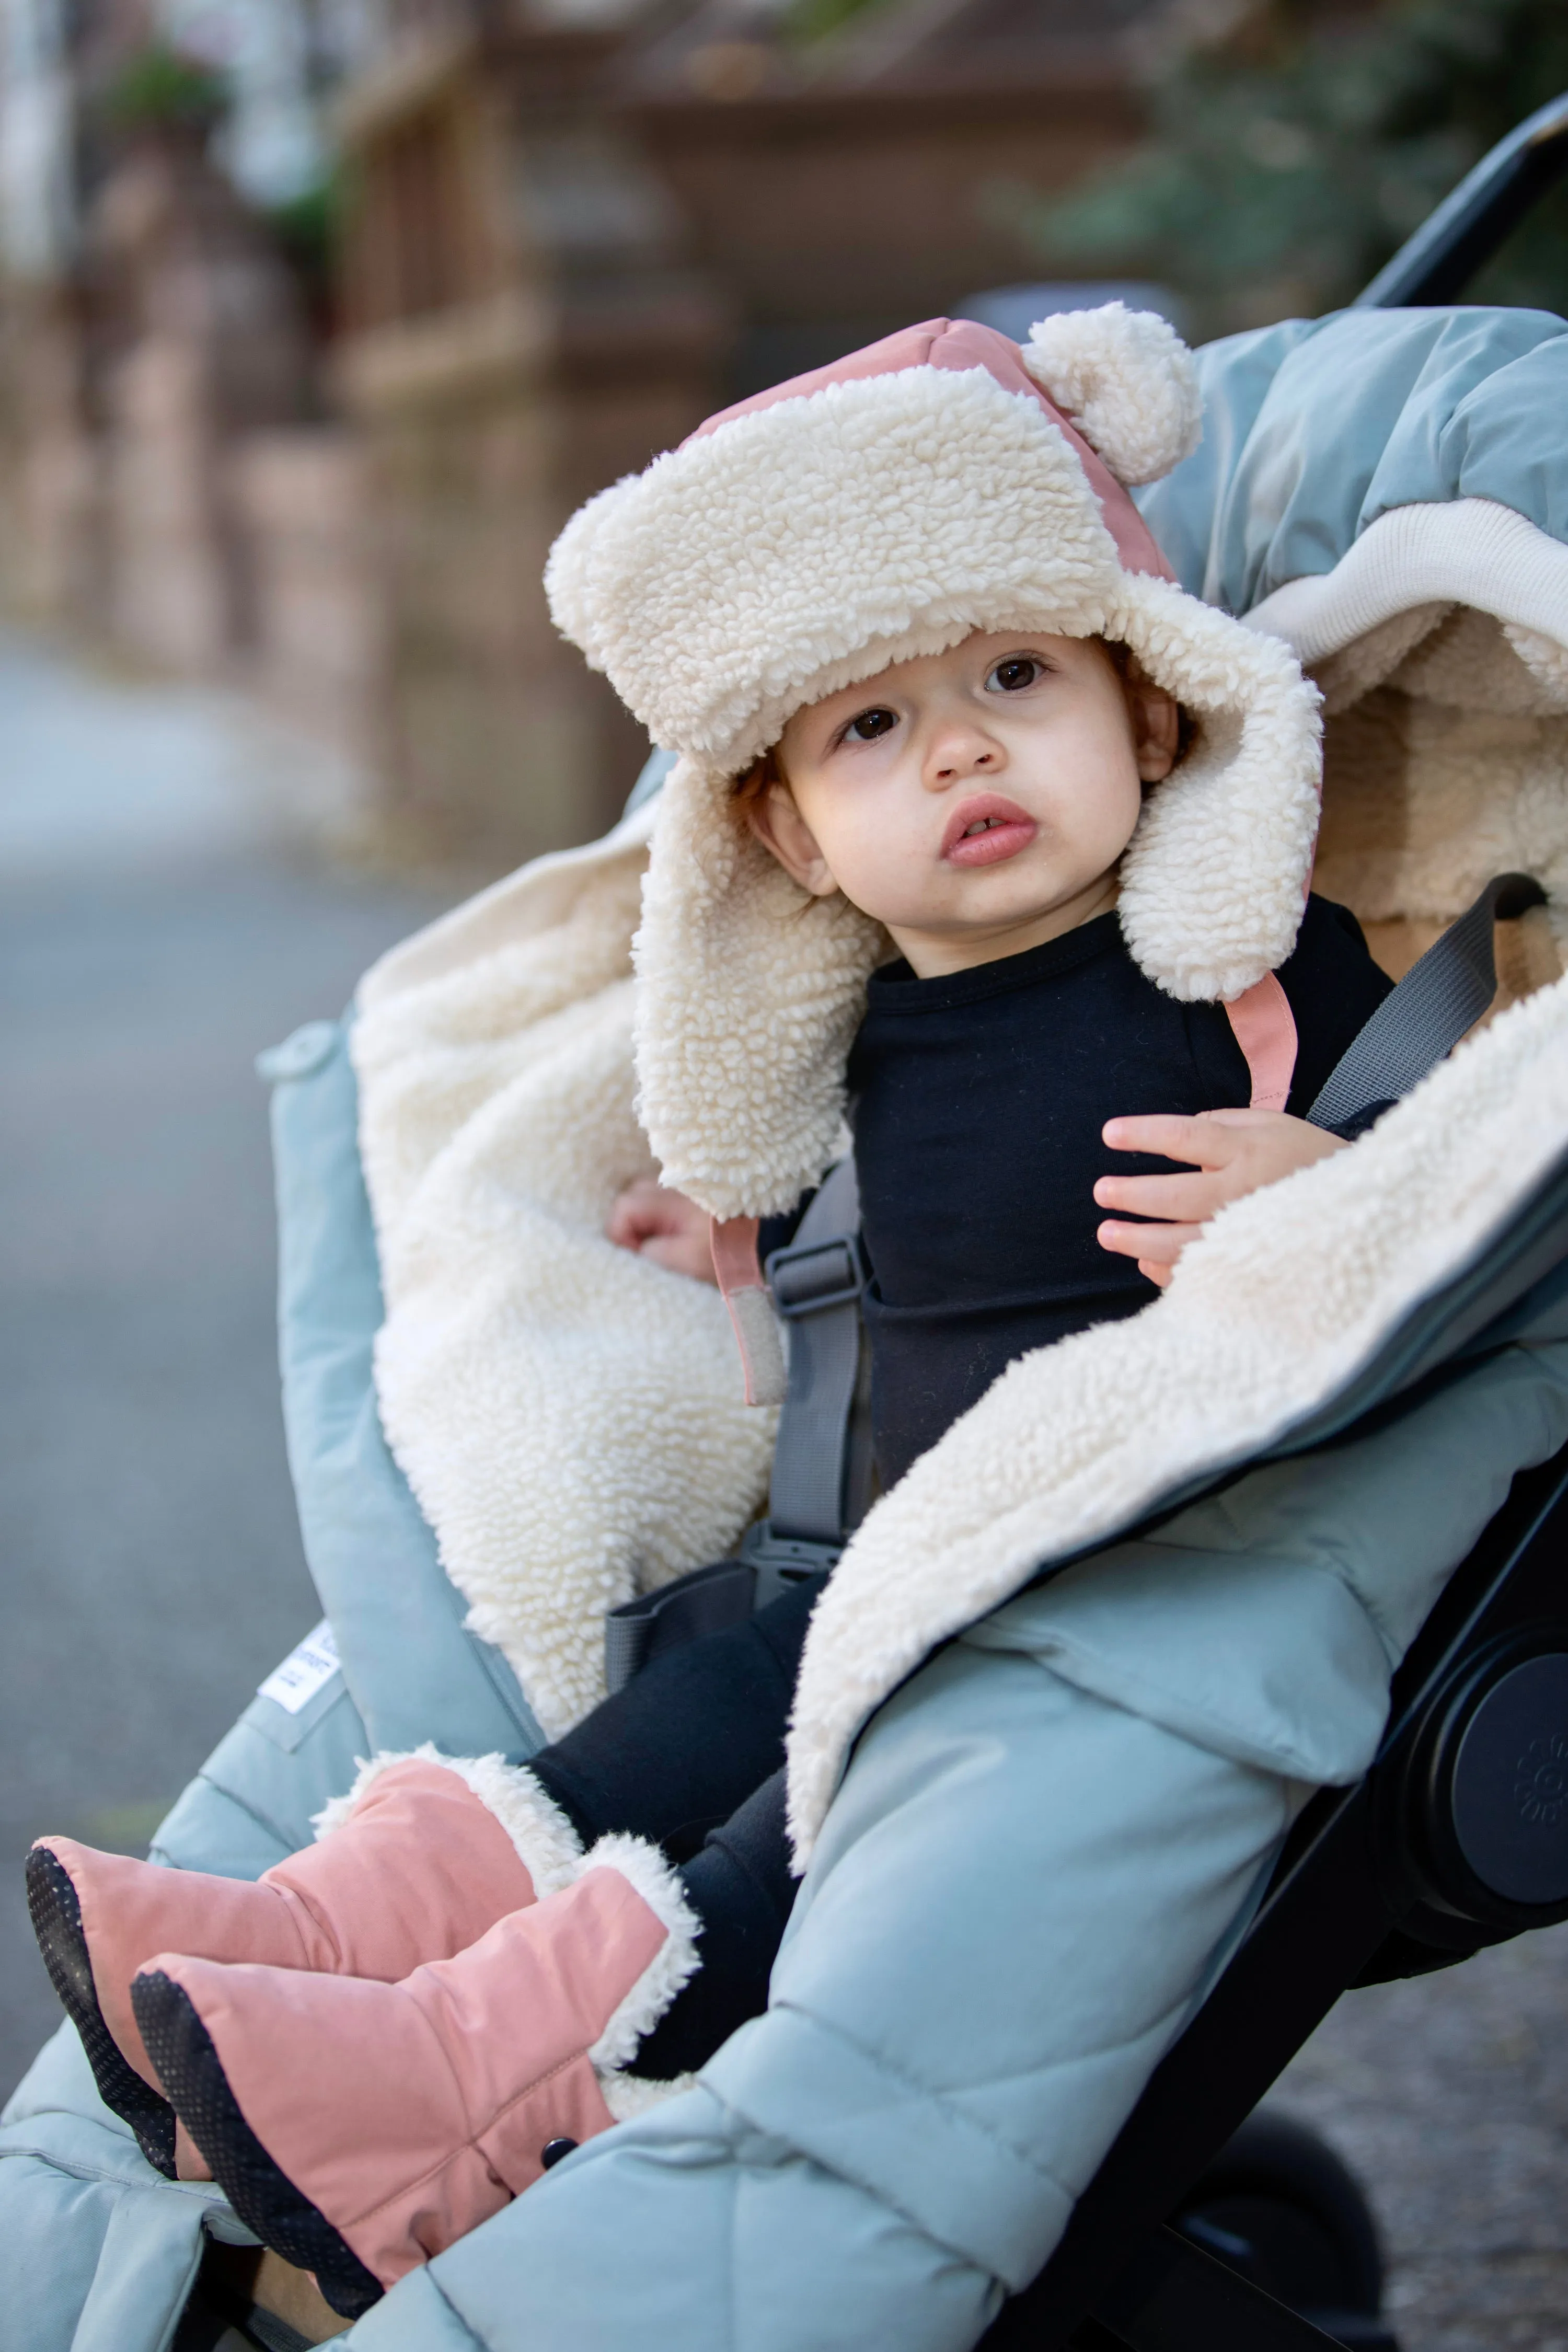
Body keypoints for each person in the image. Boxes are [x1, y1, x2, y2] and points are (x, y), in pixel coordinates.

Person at [26, 309, 1392, 2319]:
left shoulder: (1261, 975)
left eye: (1017, 678)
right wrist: (730, 1241)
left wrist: (1328, 1193)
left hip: (1068, 1604)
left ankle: (449, 2092)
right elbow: (889, 1235)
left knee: (776, 1840)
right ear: (786, 834)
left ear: (1153, 714)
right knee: (662, 1723)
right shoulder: (878, 1019)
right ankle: (326, 1941)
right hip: (873, 1565)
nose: (959, 749)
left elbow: (1475, 1161)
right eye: (871, 731)